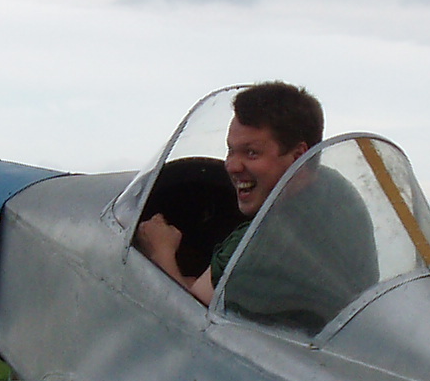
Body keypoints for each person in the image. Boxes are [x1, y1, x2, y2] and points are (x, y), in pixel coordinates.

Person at [138, 81, 337, 307]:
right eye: (230, 150)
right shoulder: (340, 196)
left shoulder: (258, 243)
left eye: (251, 153)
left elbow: (188, 311)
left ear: (298, 155)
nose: (232, 166)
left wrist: (161, 251)